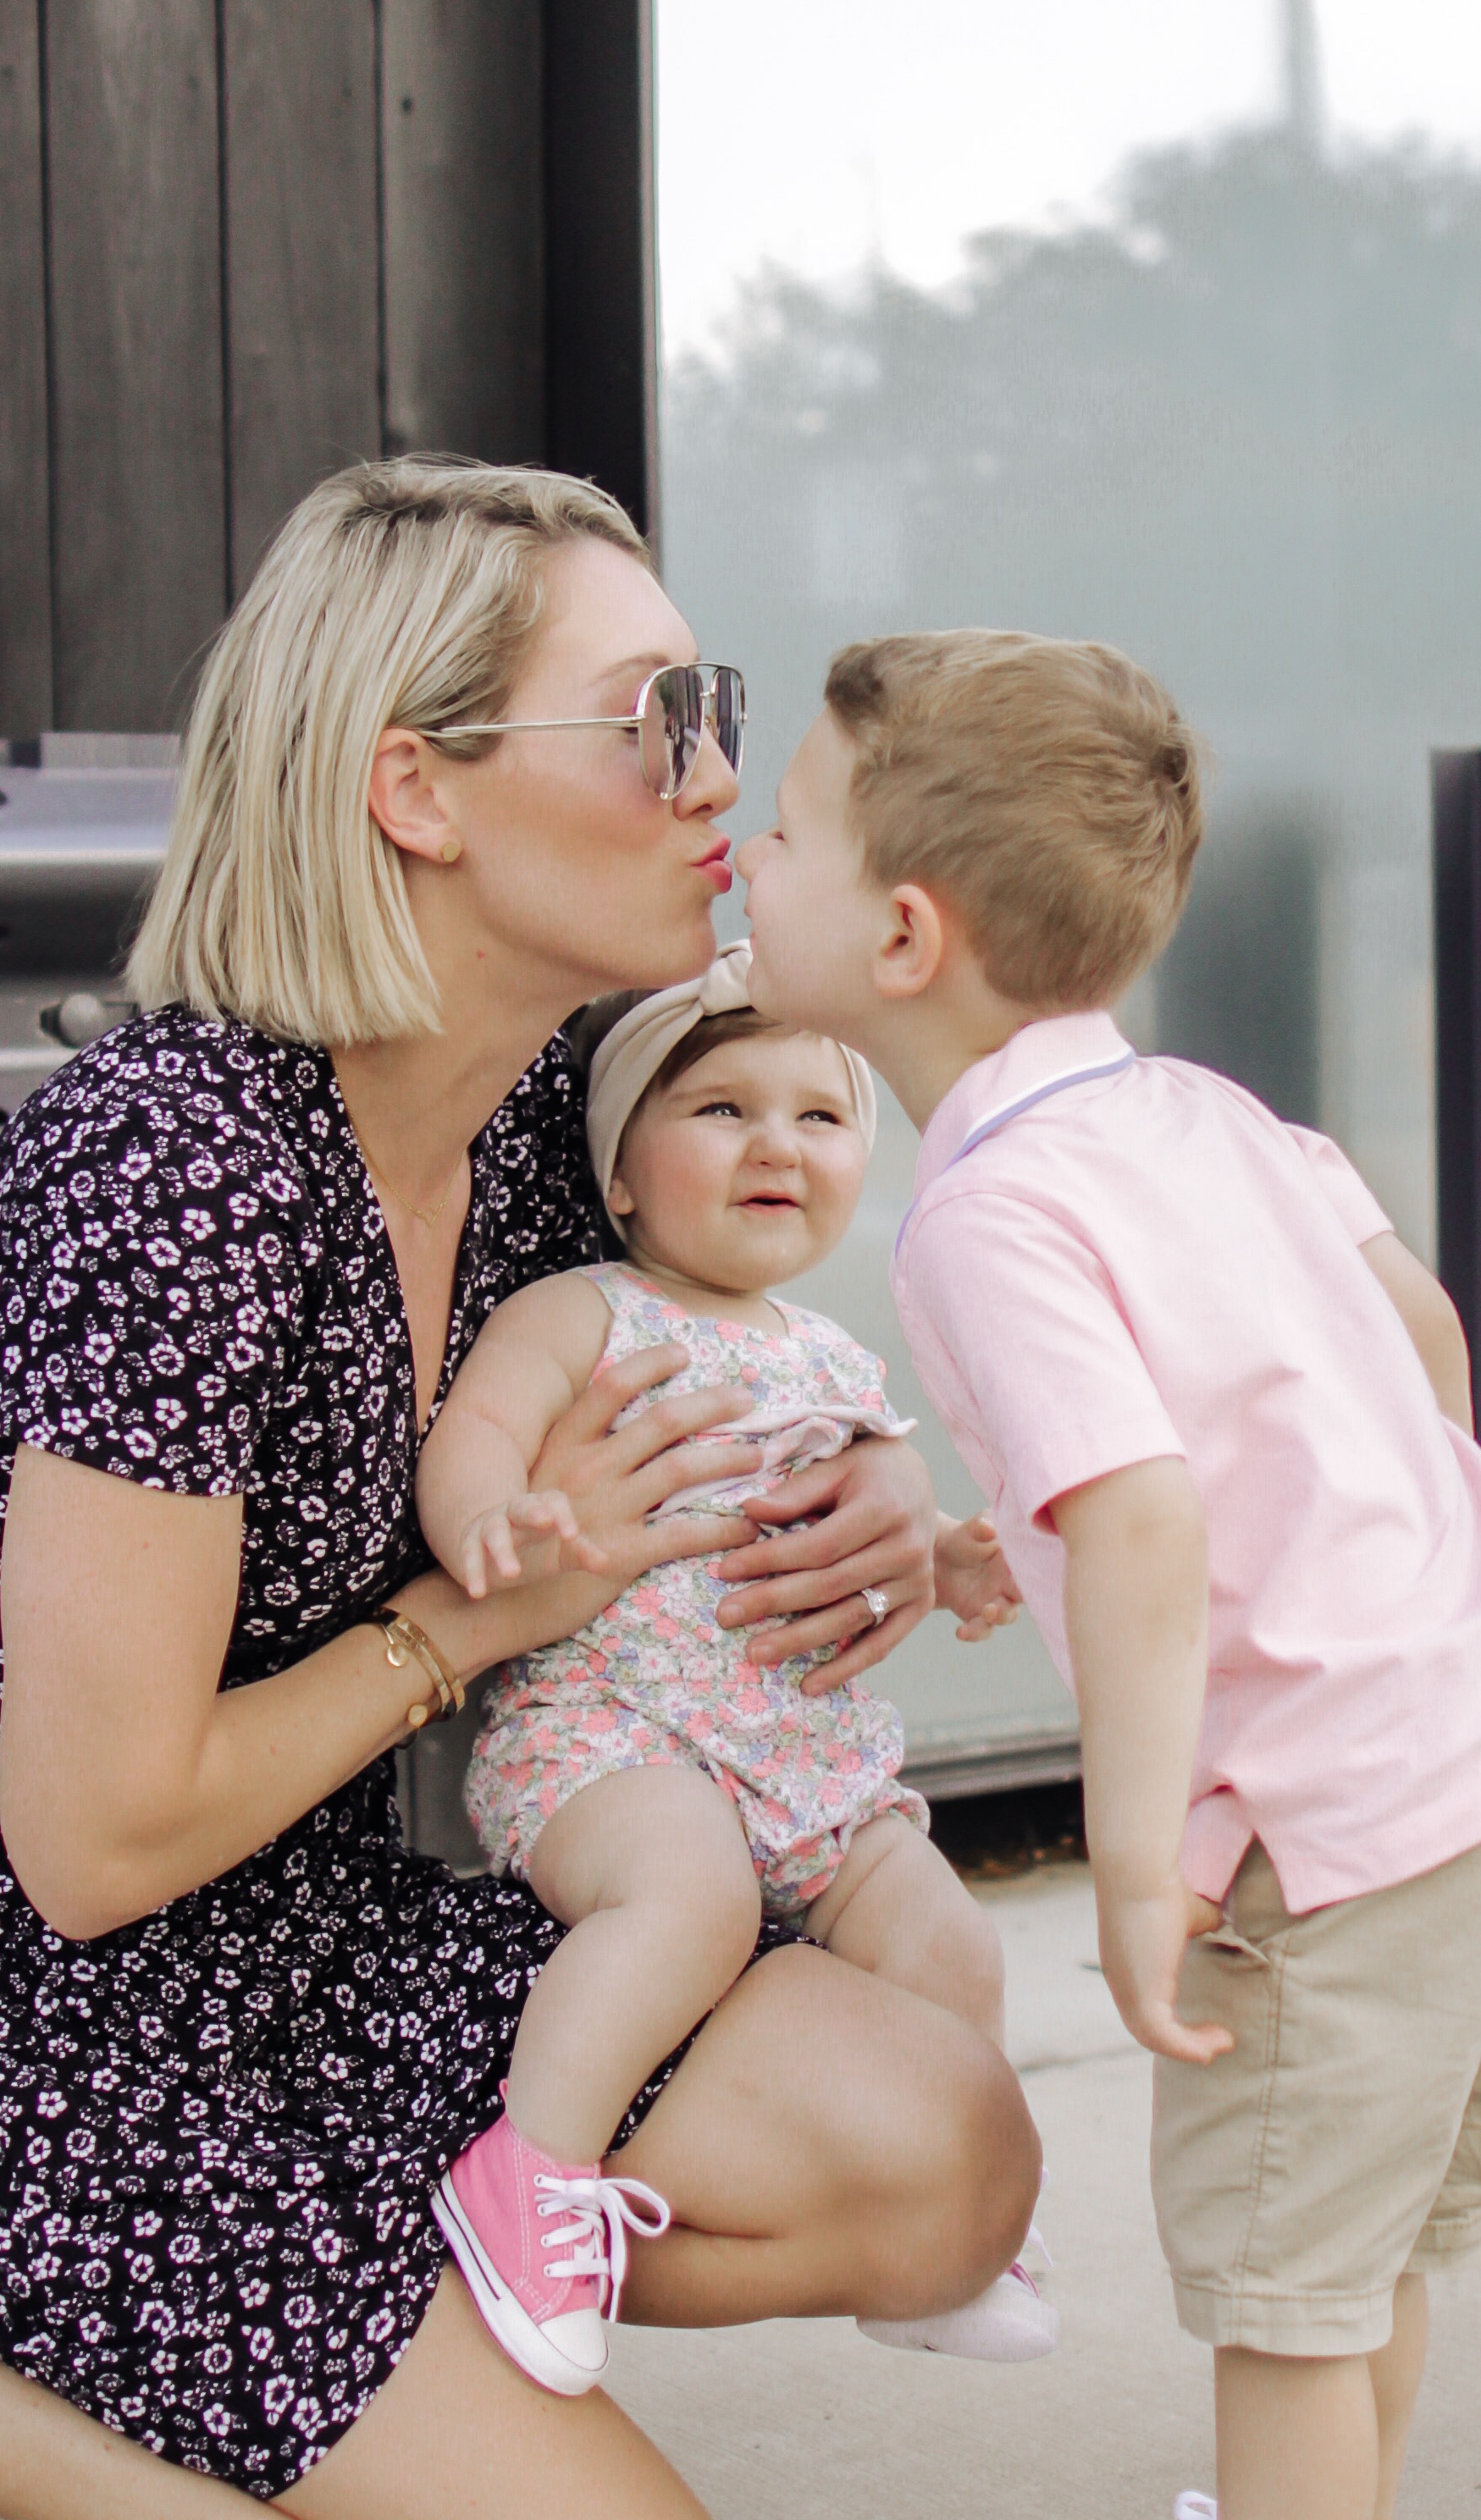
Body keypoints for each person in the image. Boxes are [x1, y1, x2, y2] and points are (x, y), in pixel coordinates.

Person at [0, 462, 1040, 2520]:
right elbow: (86, 1847)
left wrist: (863, 1496)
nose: (711, 778)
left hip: (316, 1944)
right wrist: (472, 1625)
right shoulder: (181, 1173)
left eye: (720, 712)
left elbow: (679, 1385)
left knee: (943, 2148)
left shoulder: (509, 1164)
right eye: (650, 718)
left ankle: (291, 2384)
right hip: (37, 2046)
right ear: (415, 790)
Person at [738, 628, 1481, 2520]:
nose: (751, 853)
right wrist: (1016, 1548)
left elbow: (1139, 1519)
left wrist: (1138, 1859)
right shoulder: (1209, 1112)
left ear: (905, 937)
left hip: (1330, 1828)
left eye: (790, 831)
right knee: (1373, 2244)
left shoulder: (987, 1210)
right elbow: (1407, 1338)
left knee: (1278, 2292)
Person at [413, 940, 1047, 2389]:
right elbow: (481, 1437)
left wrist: (948, 1560)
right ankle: (533, 2181)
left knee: (952, 1945)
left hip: (802, 1761)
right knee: (684, 1898)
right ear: (622, 1174)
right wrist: (492, 1518)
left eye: (820, 1117)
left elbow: (864, 1524)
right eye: (721, 1112)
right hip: (612, 1738)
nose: (778, 1145)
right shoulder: (584, 1309)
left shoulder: (831, 1354)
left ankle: (952, 2247)